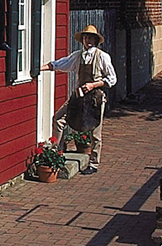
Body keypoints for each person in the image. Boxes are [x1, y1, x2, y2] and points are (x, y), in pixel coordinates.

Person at [41, 24, 117, 175]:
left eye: (90, 38)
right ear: (82, 39)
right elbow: (60, 64)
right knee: (58, 118)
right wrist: (38, 68)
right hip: (78, 96)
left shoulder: (102, 56)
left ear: (95, 40)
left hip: (95, 98)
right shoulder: (77, 55)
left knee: (95, 132)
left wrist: (93, 84)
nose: (88, 40)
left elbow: (112, 79)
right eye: (85, 37)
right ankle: (57, 153)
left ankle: (93, 163)